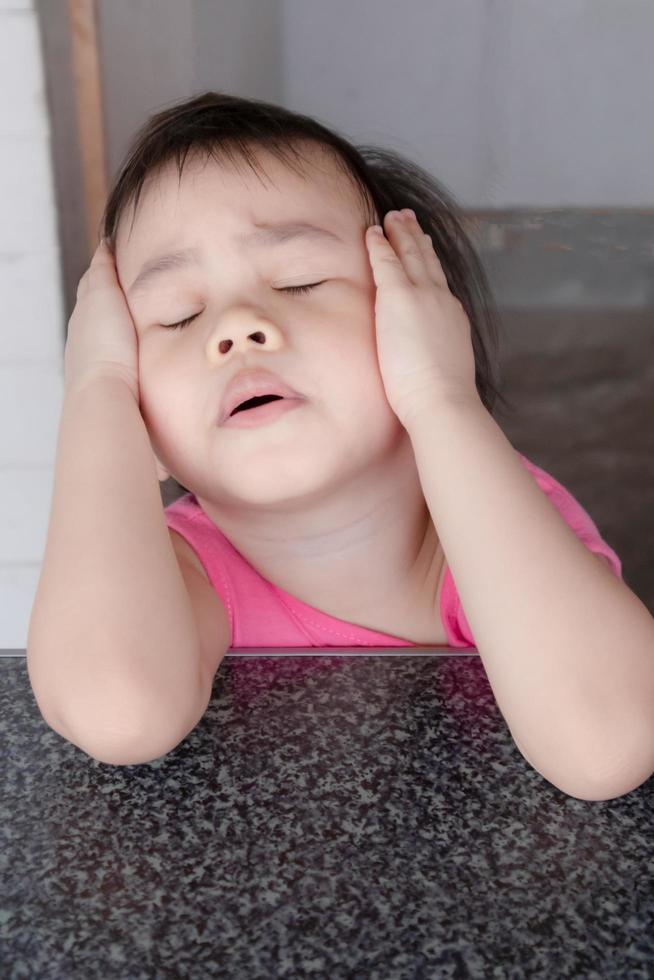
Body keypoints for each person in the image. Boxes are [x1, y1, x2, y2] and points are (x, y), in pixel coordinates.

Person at [28, 92, 654, 797]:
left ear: (421, 328)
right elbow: (115, 709)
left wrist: (441, 401)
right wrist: (97, 394)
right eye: (178, 317)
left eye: (300, 281)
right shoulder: (177, 573)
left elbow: (607, 743)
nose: (237, 328)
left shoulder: (498, 520)